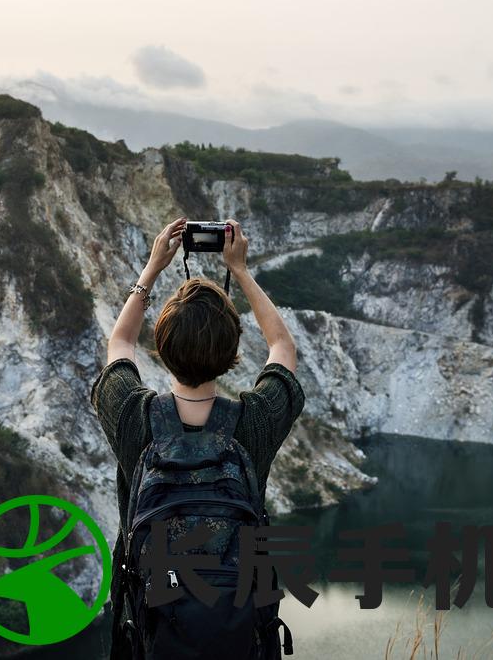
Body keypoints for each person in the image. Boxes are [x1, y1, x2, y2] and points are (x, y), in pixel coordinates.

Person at [89, 216, 303, 658]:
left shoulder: (135, 418)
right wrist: (240, 270)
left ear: (162, 348)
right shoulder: (252, 424)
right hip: (239, 635)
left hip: (154, 636)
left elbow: (120, 344)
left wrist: (151, 269)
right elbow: (282, 348)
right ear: (232, 352)